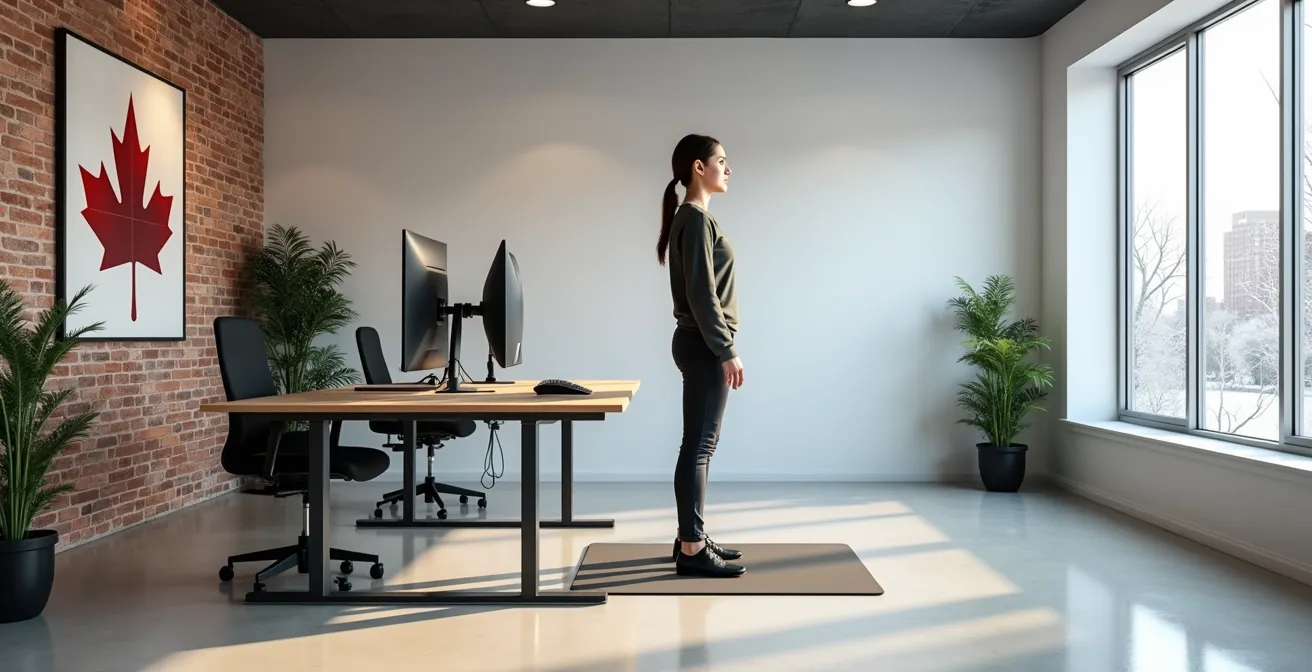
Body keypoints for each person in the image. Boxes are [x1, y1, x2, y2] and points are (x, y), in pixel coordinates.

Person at [657, 134, 747, 578]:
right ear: (698, 167)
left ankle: (688, 537)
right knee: (698, 446)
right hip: (704, 344)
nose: (728, 169)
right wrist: (726, 349)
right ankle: (692, 548)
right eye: (722, 161)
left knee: (699, 446)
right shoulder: (693, 220)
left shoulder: (695, 219)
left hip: (699, 343)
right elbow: (703, 294)